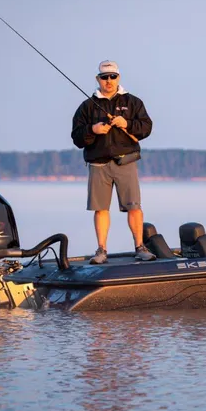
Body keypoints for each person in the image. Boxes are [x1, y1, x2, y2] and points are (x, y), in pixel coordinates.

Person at [72, 60, 156, 264]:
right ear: (97, 79)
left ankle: (140, 247)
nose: (108, 81)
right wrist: (93, 130)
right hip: (98, 164)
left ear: (119, 77)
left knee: (134, 206)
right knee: (100, 209)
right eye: (104, 77)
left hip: (126, 162)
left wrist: (126, 123)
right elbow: (76, 137)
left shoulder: (133, 102)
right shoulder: (86, 107)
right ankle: (101, 250)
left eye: (112, 76)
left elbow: (147, 128)